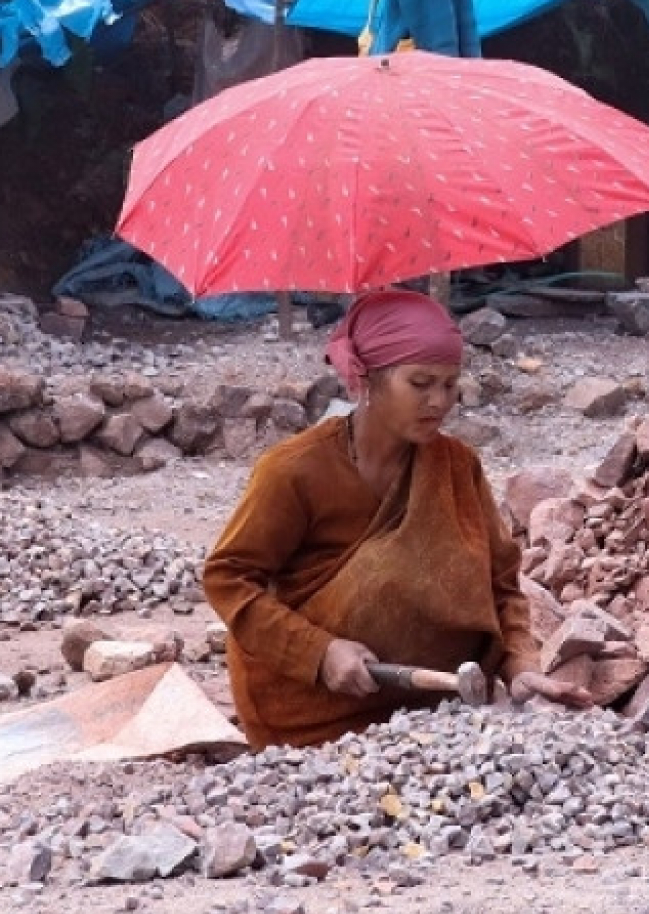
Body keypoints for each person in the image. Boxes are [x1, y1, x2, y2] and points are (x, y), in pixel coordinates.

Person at [204, 289, 585, 749]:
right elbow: (228, 579)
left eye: (449, 384)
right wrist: (319, 652)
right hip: (306, 713)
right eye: (420, 383)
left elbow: (500, 581)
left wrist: (519, 665)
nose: (439, 401)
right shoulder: (295, 469)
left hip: (427, 707)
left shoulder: (456, 465)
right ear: (368, 380)